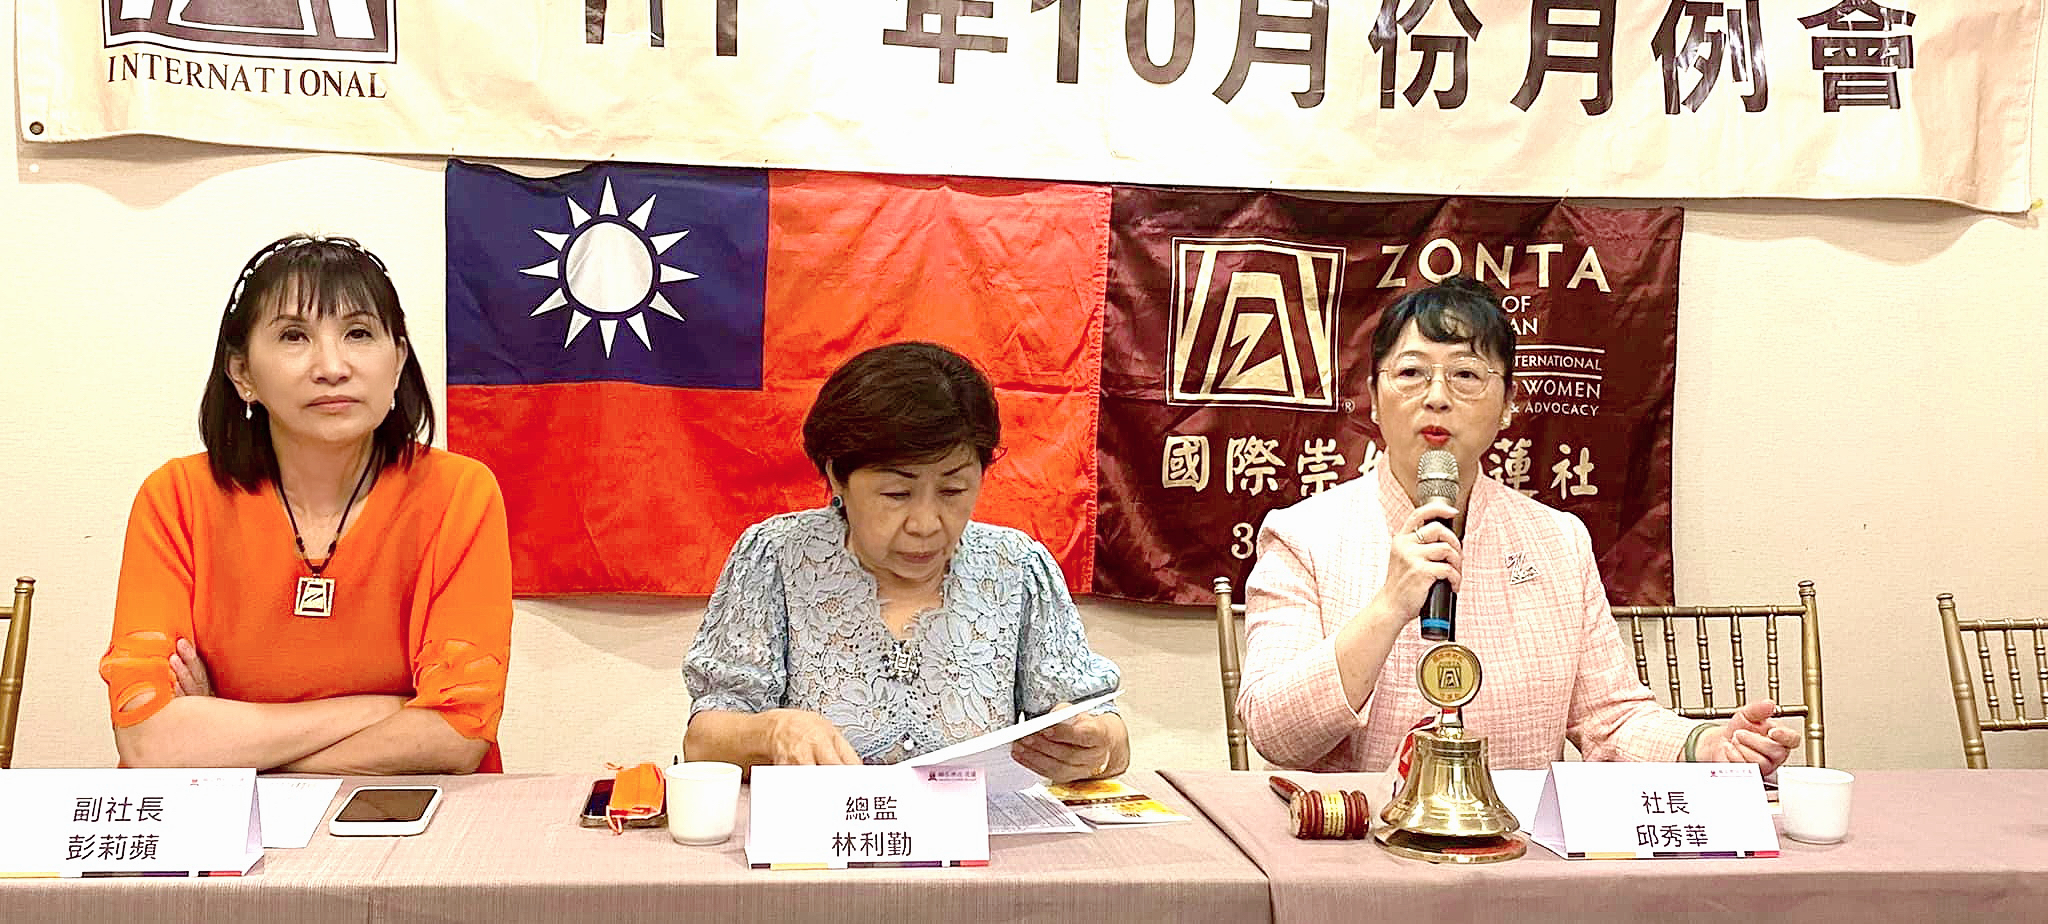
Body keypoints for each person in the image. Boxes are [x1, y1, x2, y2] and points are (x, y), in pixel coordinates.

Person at [1236, 276, 1800, 776]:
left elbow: (1610, 719)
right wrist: (1387, 608)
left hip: (1514, 843)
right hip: (1359, 843)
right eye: (1411, 373)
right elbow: (1274, 734)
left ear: (1508, 403)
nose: (1436, 397)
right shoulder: (1303, 537)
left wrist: (1708, 745)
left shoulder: (1558, 541)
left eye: (1465, 375)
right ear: (1374, 400)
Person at [100, 235, 513, 773]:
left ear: (397, 361)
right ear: (242, 374)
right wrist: (388, 709)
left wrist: (238, 752)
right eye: (294, 336)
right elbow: (150, 742)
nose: (332, 366)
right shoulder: (176, 498)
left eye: (359, 333)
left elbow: (456, 736)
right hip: (223, 822)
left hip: (417, 812)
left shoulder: (460, 493)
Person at [683, 341, 1126, 780]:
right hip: (828, 827)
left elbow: (1105, 731)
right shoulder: (777, 556)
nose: (926, 524)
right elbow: (703, 743)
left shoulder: (1017, 566)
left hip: (977, 827)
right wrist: (773, 730)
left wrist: (1098, 744)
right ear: (838, 476)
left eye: (953, 490)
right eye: (897, 494)